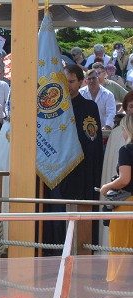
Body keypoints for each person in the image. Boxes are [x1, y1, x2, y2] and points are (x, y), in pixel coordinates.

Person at [44, 64, 104, 250]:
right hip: (55, 172)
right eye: (64, 81)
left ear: (80, 82)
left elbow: (92, 141)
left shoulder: (88, 107)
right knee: (56, 218)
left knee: (78, 218)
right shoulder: (51, 109)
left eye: (71, 81)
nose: (67, 85)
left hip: (80, 171)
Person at [100, 114, 133, 282]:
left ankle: (115, 291)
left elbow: (124, 179)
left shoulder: (126, 150)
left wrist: (107, 187)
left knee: (120, 247)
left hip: (127, 203)